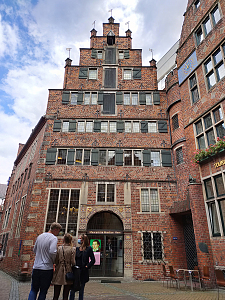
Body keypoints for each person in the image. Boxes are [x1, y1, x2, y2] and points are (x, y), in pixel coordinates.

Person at [28, 222, 62, 300]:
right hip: (46, 268)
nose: (58, 233)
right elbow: (52, 251)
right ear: (55, 230)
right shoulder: (53, 238)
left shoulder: (40, 236)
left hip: (36, 267)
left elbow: (34, 250)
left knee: (33, 289)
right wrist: (53, 261)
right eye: (58, 231)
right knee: (43, 291)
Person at [69, 234, 95, 300]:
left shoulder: (88, 249)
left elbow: (93, 260)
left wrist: (87, 266)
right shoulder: (77, 249)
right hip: (75, 271)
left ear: (83, 240)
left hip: (83, 271)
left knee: (81, 289)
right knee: (72, 290)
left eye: (80, 238)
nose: (79, 239)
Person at [52, 233, 75, 300]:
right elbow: (73, 262)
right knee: (66, 295)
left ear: (64, 239)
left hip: (59, 270)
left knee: (56, 294)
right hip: (68, 270)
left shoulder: (59, 248)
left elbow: (55, 261)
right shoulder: (72, 249)